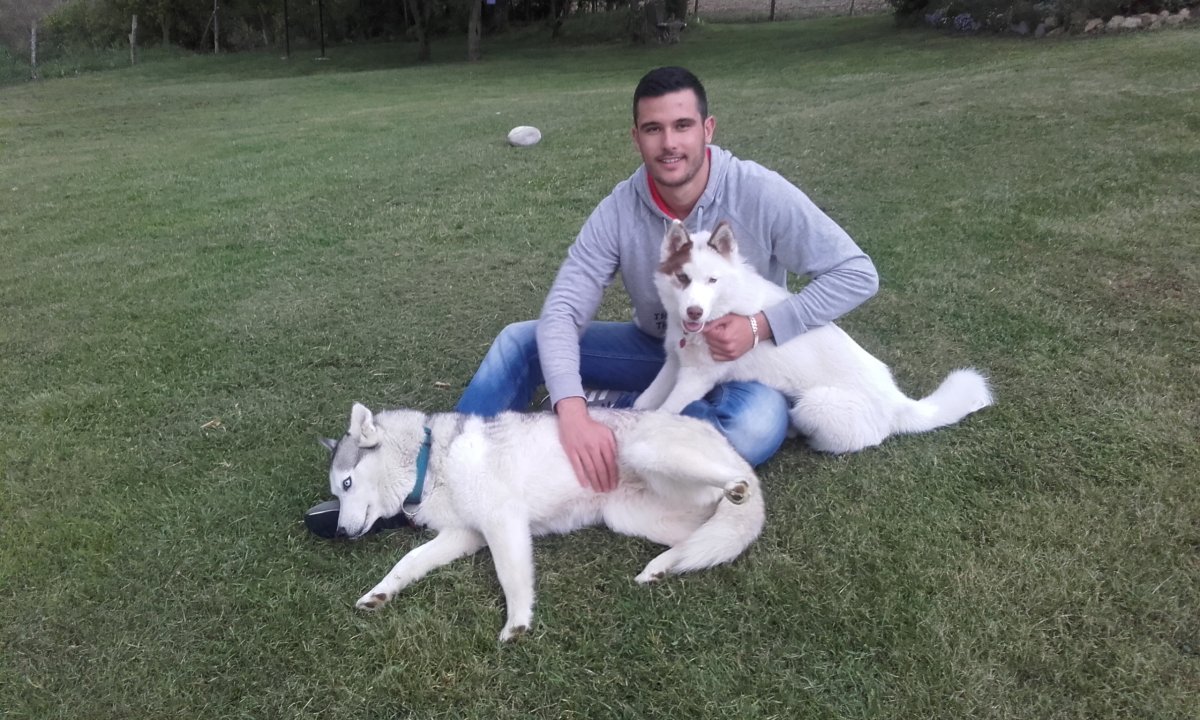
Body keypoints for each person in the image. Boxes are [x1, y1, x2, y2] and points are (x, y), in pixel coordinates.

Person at [305, 66, 878, 538]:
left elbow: (857, 273)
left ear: (707, 129)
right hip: (660, 348)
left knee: (755, 427)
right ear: (636, 137)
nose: (670, 143)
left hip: (744, 364)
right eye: (653, 129)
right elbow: (563, 310)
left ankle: (617, 431)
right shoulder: (620, 209)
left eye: (682, 126)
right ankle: (429, 483)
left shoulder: (759, 191)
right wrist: (572, 411)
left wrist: (760, 325)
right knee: (520, 340)